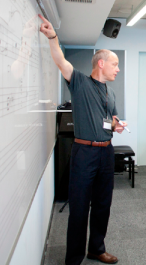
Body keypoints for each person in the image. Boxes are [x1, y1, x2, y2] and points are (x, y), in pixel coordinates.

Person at [39, 14, 126, 265]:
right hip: (84, 152)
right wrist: (53, 37)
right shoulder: (79, 82)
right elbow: (60, 61)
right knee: (79, 207)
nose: (118, 69)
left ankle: (96, 248)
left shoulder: (110, 92)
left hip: (106, 152)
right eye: (115, 64)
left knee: (102, 204)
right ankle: (74, 258)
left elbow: (111, 119)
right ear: (100, 64)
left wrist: (116, 125)